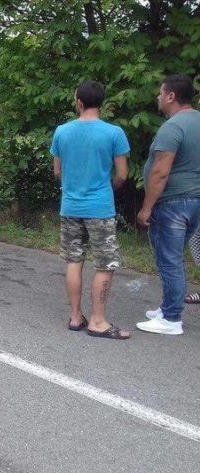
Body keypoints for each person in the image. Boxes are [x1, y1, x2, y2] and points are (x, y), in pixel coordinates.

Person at [50, 80, 130, 339]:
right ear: (101, 103)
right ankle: (98, 320)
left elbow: (57, 171)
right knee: (105, 263)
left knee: (74, 260)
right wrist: (105, 190)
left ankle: (75, 317)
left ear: (79, 102)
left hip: (70, 206)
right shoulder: (114, 133)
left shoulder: (61, 131)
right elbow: (122, 175)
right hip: (100, 208)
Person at [136, 74, 200, 336]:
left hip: (173, 202)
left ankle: (172, 318)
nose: (158, 98)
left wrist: (147, 207)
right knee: (173, 257)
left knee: (169, 259)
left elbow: (161, 171)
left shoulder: (173, 127)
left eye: (161, 93)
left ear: (172, 96)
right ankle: (166, 307)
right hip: (194, 200)